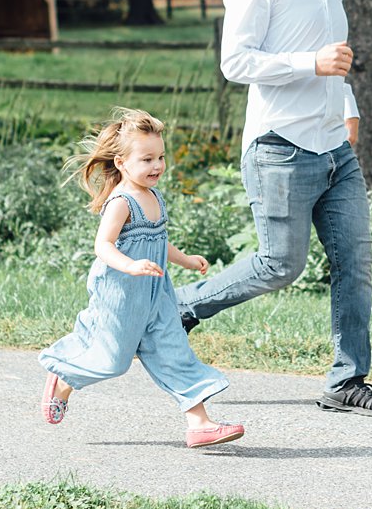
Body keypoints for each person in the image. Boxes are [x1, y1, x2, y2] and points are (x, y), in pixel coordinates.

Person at [175, 0, 372, 419]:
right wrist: (310, 64)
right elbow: (236, 64)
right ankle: (180, 306)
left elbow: (337, 58)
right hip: (280, 148)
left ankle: (347, 381)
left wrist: (348, 108)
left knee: (356, 266)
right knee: (280, 264)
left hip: (333, 150)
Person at [39, 108, 244, 448]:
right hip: (121, 295)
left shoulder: (155, 198)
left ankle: (200, 423)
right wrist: (130, 266)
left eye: (161, 157)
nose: (157, 166)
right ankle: (62, 379)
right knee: (112, 362)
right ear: (120, 162)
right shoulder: (121, 202)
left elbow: (159, 241)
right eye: (147, 159)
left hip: (157, 295)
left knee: (173, 350)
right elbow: (102, 245)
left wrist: (186, 260)